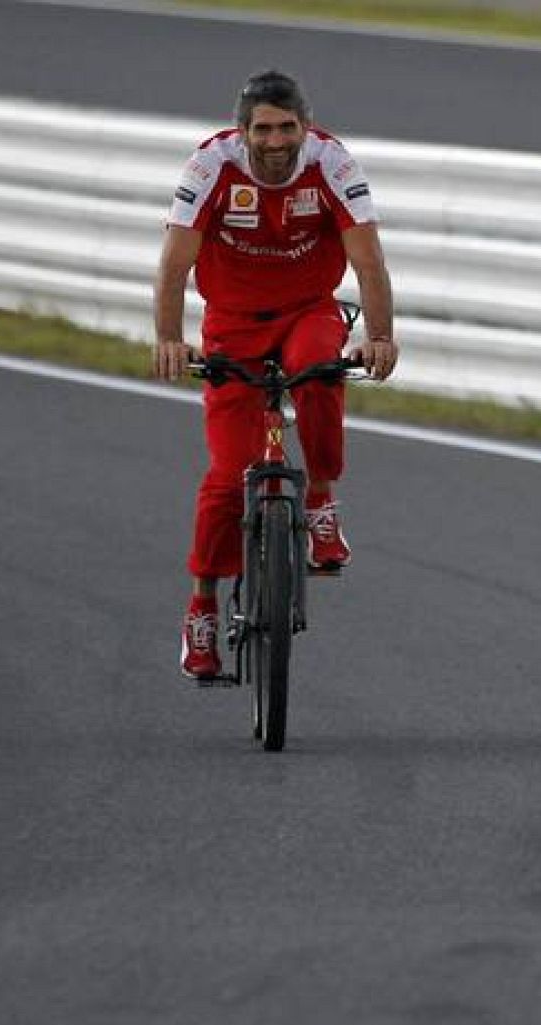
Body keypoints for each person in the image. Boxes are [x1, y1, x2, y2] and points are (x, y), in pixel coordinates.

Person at [153, 69, 399, 680]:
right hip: (232, 322)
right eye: (262, 129)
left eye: (287, 128)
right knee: (226, 477)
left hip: (307, 310)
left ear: (305, 127)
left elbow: (369, 261)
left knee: (318, 372)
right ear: (242, 131)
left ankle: (319, 501)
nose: (275, 141)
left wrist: (380, 336)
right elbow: (174, 265)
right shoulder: (210, 165)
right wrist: (169, 340)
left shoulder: (332, 163)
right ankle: (202, 607)